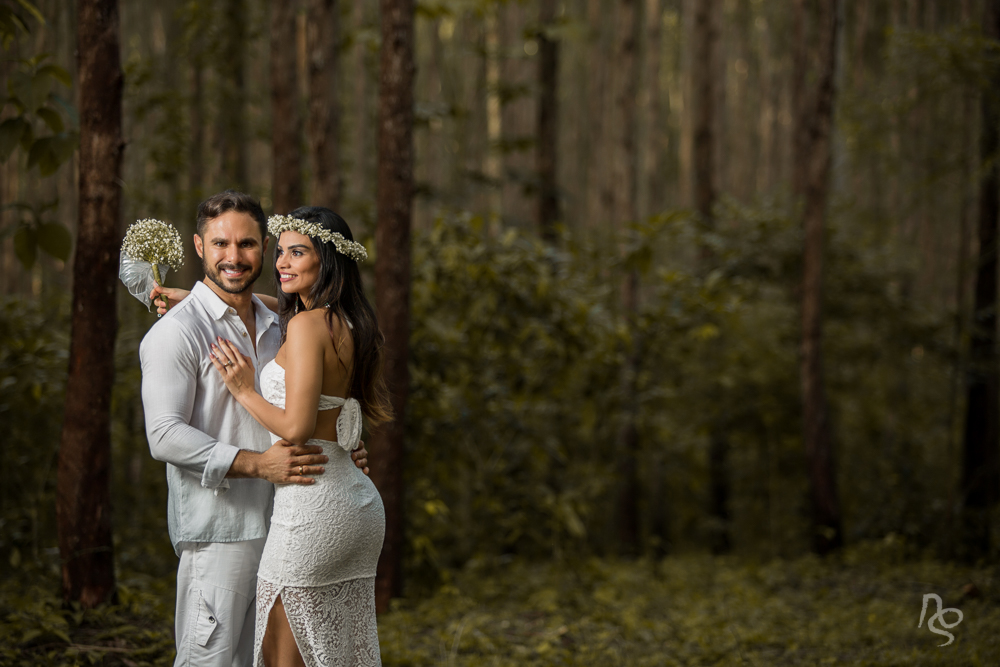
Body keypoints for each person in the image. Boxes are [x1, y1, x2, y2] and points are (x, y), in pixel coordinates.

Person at [139, 191, 370, 667]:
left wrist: (343, 446)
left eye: (246, 244)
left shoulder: (279, 322)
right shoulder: (176, 332)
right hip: (221, 531)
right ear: (199, 247)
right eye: (220, 244)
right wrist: (257, 464)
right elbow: (163, 434)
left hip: (292, 519)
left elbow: (319, 393)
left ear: (263, 247)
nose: (234, 256)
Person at [207, 206, 391, 667]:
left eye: (298, 252)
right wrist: (195, 296)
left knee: (281, 660)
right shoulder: (350, 323)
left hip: (312, 509)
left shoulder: (308, 326)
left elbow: (297, 427)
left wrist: (245, 390)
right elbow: (274, 305)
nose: (282, 263)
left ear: (326, 260)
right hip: (356, 506)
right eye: (281, 253)